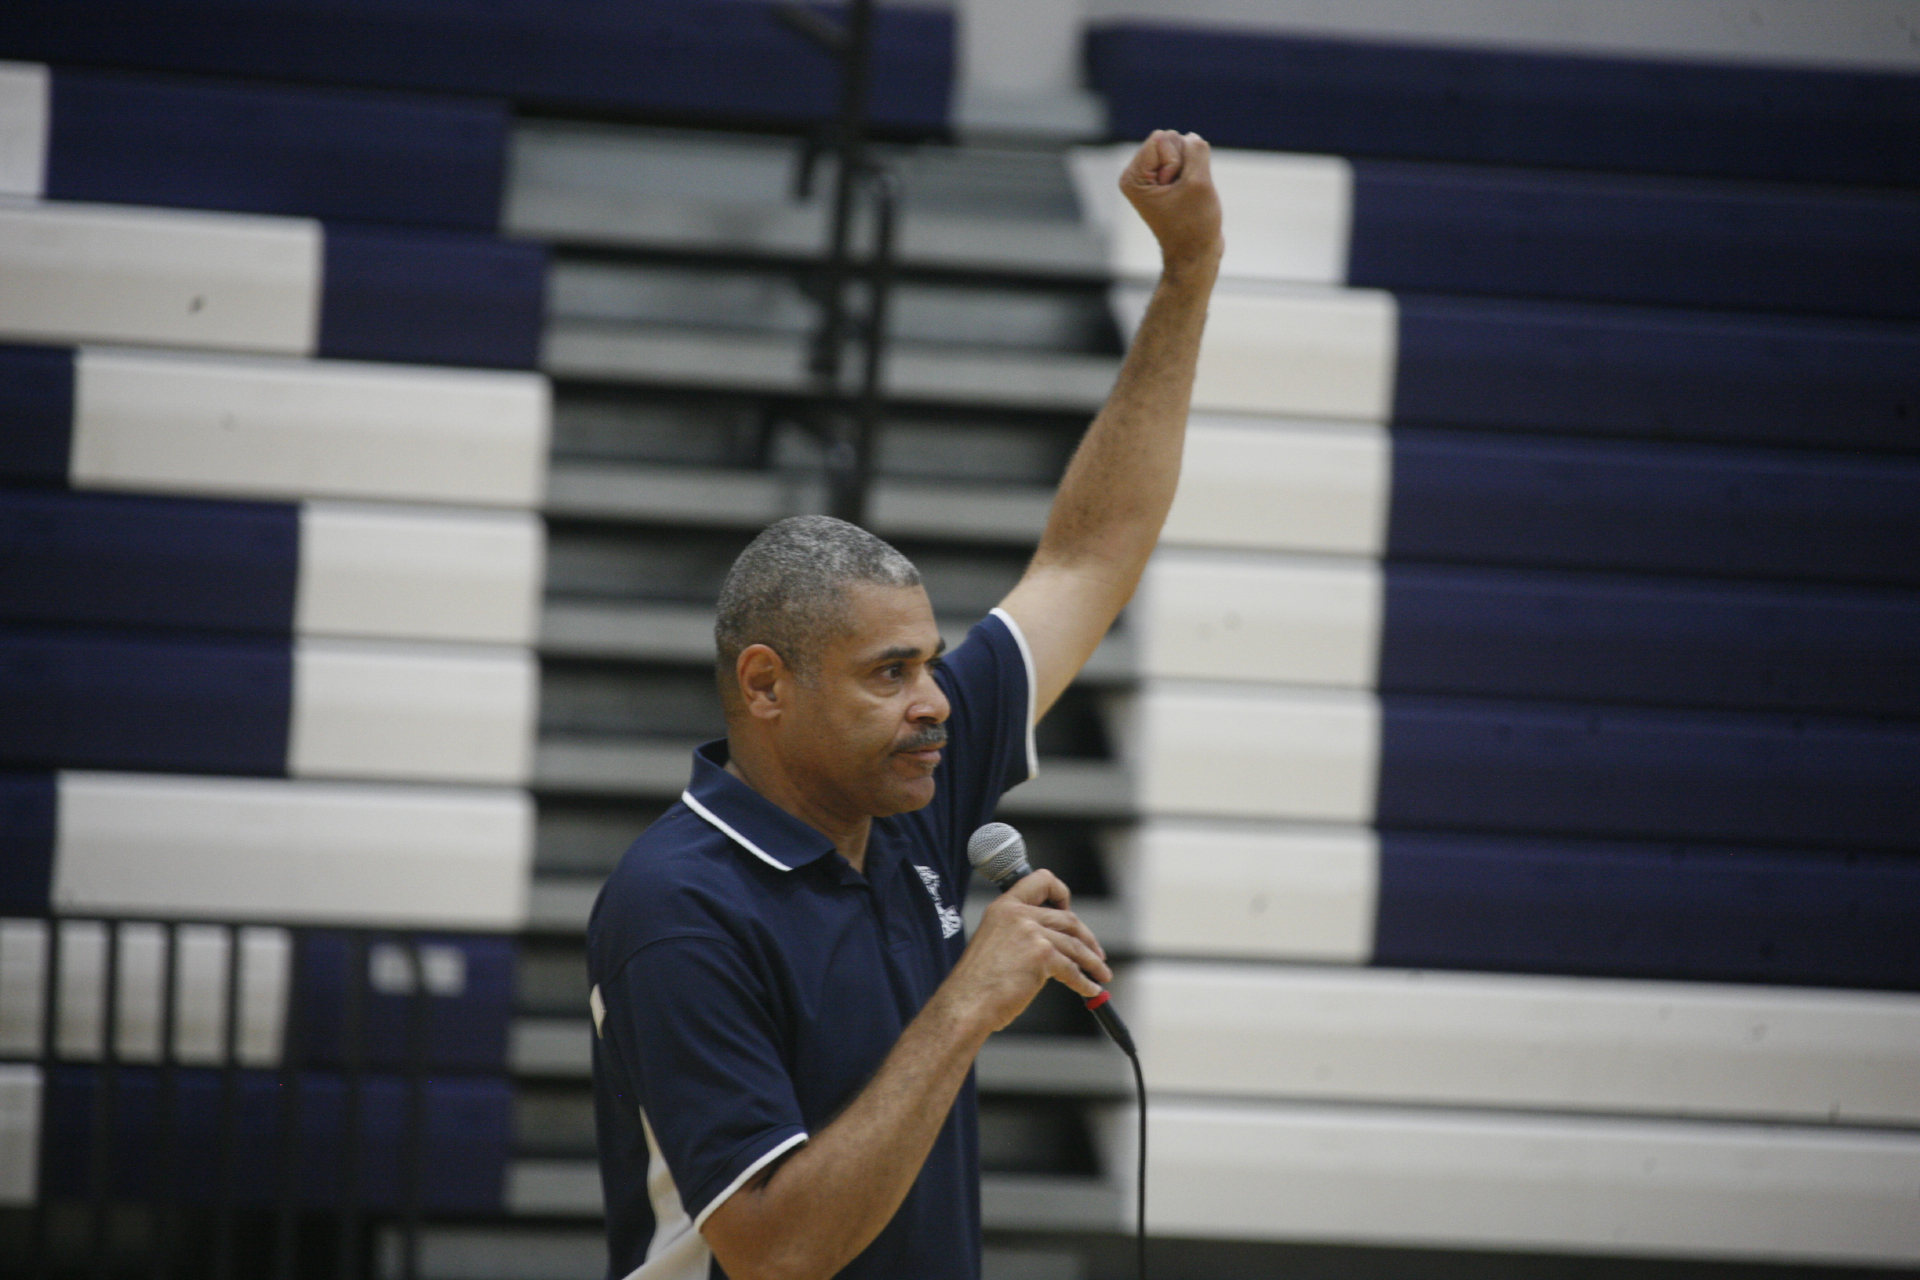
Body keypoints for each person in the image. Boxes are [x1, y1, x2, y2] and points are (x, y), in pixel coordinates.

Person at [586, 129, 1224, 1280]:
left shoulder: (909, 794)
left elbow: (1089, 552)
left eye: (931, 661)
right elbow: (775, 1247)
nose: (934, 700)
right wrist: (965, 1003)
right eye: (890, 671)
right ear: (768, 686)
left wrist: (1187, 277)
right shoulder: (675, 906)